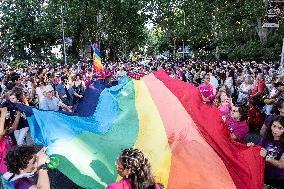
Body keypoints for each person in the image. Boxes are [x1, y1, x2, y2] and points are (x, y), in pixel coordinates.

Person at [248, 116, 284, 189]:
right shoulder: (265, 138)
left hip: (278, 179)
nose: (275, 130)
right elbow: (259, 150)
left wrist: (266, 157)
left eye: (280, 128)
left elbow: (281, 164)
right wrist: (253, 147)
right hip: (263, 174)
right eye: (274, 126)